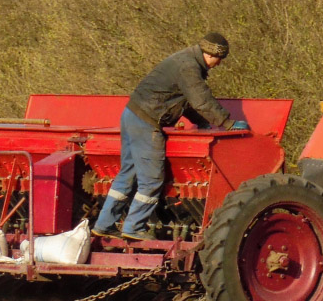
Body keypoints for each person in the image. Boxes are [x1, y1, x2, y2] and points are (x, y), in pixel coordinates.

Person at [93, 32, 248, 240]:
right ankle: (134, 228)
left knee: (127, 174)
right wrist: (227, 123)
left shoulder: (184, 60)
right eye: (220, 59)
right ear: (212, 54)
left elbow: (182, 100)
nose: (219, 64)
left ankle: (104, 224)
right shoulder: (189, 68)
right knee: (152, 179)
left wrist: (200, 122)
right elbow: (201, 99)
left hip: (131, 115)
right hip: (147, 122)